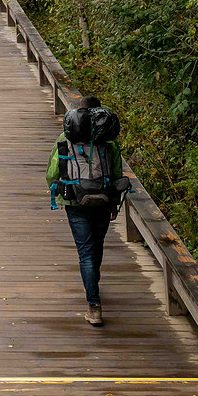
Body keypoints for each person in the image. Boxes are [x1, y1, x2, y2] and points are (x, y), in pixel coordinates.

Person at [47, 95, 130, 326]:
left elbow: (53, 172)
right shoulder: (108, 140)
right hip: (103, 200)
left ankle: (94, 305)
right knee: (96, 246)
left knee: (85, 252)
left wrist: (57, 190)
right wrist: (114, 202)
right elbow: (116, 173)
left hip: (75, 201)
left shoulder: (65, 137)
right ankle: (93, 283)